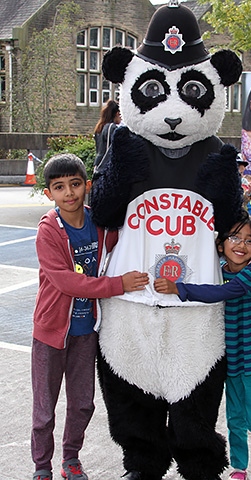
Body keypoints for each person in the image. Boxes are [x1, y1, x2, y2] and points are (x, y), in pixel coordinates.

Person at [31, 153, 149, 480]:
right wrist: (117, 285)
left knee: (82, 404)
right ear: (48, 194)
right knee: (44, 410)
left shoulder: (98, 222)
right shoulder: (49, 231)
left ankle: (71, 460)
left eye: (74, 185)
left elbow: (128, 234)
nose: (68, 193)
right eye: (59, 187)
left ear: (87, 186)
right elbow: (66, 280)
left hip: (86, 332)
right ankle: (42, 466)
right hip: (51, 333)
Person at [154, 210, 251, 480]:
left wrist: (179, 288)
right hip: (234, 360)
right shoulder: (220, 272)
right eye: (234, 238)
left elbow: (221, 293)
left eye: (249, 240)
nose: (241, 245)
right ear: (221, 245)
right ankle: (240, 468)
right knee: (235, 420)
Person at [93, 99, 122, 170]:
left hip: (97, 164)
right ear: (117, 113)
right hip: (106, 165)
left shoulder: (99, 127)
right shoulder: (111, 127)